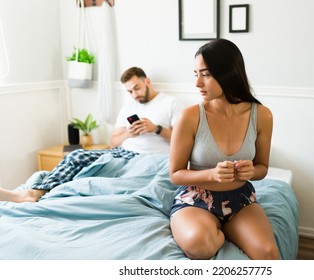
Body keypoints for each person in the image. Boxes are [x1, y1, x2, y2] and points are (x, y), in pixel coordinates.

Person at [0, 67, 184, 203]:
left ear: (147, 81)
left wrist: (156, 129)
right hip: (124, 154)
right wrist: (128, 133)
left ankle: (42, 194)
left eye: (137, 88)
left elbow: (182, 140)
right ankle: (36, 192)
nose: (134, 94)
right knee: (77, 155)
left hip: (154, 159)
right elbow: (114, 142)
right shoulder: (129, 107)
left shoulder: (170, 103)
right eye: (129, 91)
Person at [169, 39, 278, 260]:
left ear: (229, 73)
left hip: (241, 200)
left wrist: (252, 172)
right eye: (196, 74)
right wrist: (212, 174)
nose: (197, 83)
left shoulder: (262, 115)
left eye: (206, 74)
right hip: (196, 199)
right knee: (200, 246)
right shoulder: (189, 116)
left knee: (268, 254)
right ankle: (216, 229)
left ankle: (227, 228)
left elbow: (262, 168)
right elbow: (175, 174)